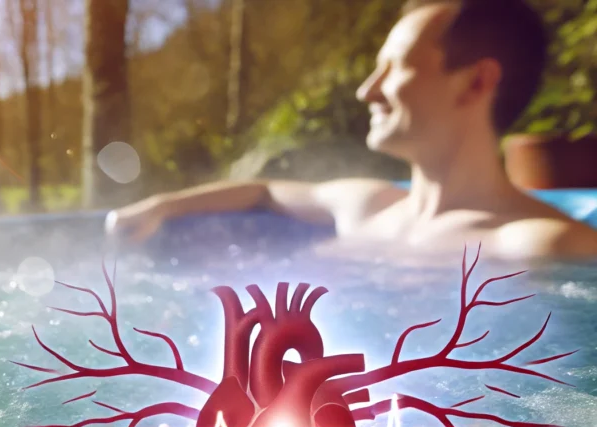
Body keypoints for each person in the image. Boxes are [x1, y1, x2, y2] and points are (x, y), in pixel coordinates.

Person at [106, 0, 597, 261]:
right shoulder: (366, 204)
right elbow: (264, 191)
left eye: (396, 67)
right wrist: (160, 207)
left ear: (477, 82)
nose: (367, 90)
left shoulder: (545, 247)